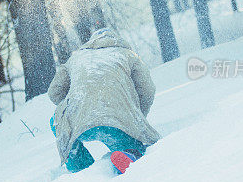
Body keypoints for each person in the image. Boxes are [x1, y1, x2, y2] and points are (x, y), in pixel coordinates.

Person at [48, 27, 160, 174]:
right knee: (133, 147)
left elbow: (54, 93)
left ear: (91, 42)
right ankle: (130, 155)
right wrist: (136, 117)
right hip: (117, 120)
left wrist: (79, 105)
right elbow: (147, 89)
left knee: (57, 122)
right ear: (116, 40)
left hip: (78, 124)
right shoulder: (127, 54)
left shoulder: (76, 58)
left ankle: (80, 167)